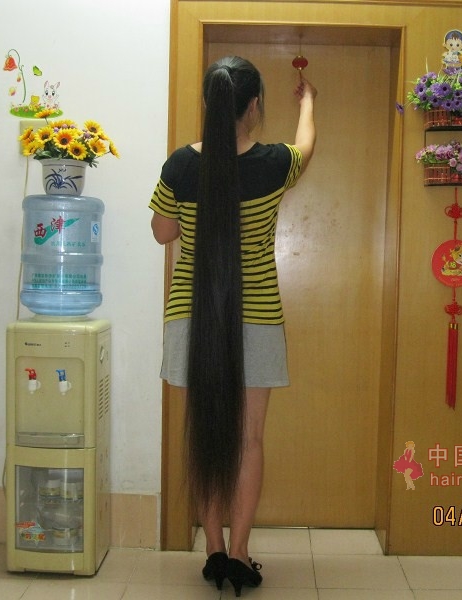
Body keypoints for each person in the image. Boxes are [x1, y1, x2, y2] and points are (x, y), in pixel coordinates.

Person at [148, 55, 317, 597]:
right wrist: (308, 103)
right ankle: (240, 554)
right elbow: (307, 145)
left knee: (206, 433)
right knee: (248, 440)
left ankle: (214, 550)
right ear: (253, 105)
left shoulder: (180, 165)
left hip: (191, 316)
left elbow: (162, 232)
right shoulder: (275, 163)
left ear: (208, 103)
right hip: (257, 318)